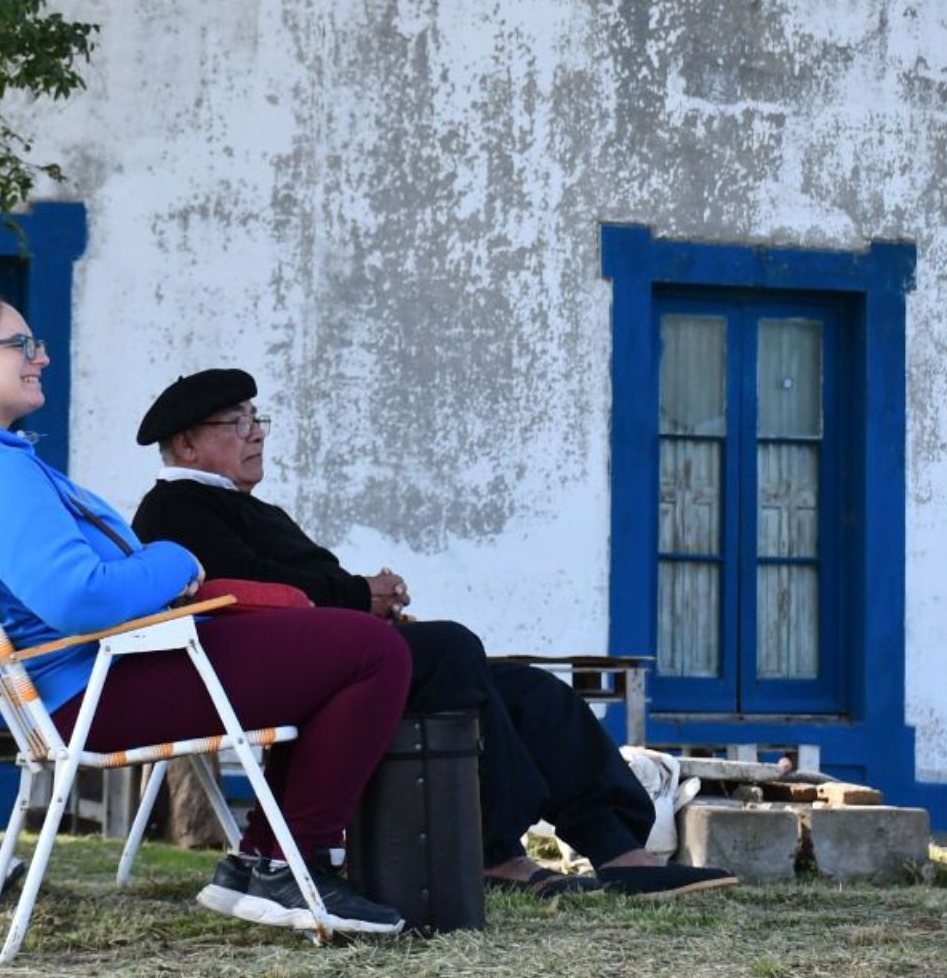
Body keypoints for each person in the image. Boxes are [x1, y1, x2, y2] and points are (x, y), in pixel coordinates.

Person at [0, 296, 414, 935]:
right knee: (374, 650)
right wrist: (174, 558)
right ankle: (287, 864)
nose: (41, 356)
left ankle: (265, 863)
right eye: (21, 344)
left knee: (330, 645)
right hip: (96, 692)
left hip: (101, 678)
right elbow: (76, 597)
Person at [131, 369, 735, 900]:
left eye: (256, 418)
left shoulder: (248, 506)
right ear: (186, 443)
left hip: (340, 652)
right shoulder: (174, 508)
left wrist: (375, 602)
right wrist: (358, 595)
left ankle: (618, 849)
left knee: (529, 691)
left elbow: (310, 581)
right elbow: (251, 587)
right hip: (271, 672)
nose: (256, 432)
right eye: (236, 423)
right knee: (452, 648)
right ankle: (494, 847)